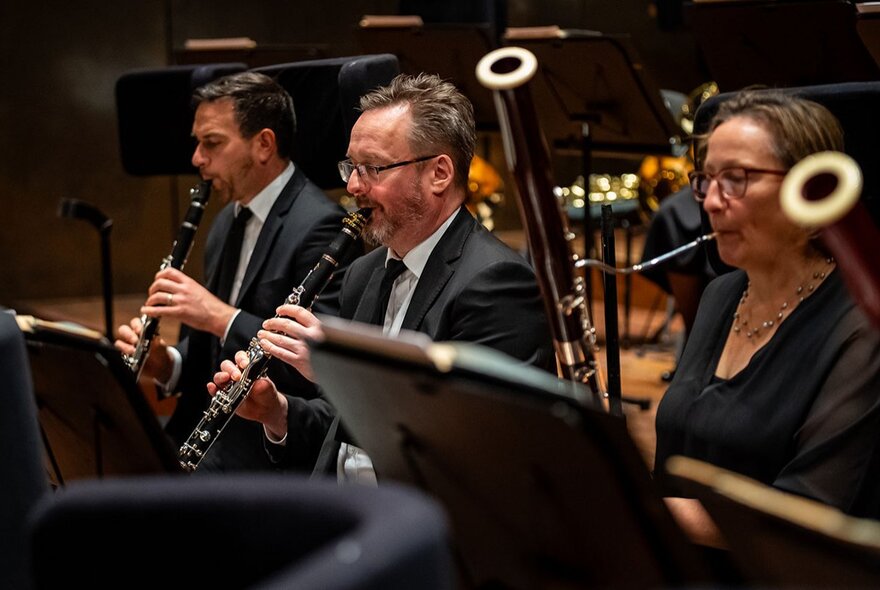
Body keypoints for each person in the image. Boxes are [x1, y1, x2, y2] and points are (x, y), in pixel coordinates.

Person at [209, 72, 556, 480]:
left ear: (439, 173)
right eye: (351, 167)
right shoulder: (363, 272)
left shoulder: (496, 282)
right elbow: (344, 430)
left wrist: (337, 373)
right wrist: (278, 412)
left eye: (373, 168)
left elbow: (469, 443)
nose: (354, 186)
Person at [653, 90, 880, 549]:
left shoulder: (861, 327)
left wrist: (637, 510)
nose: (711, 202)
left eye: (735, 179)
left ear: (812, 189)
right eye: (706, 179)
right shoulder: (722, 293)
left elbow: (805, 513)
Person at [114, 71, 360, 472]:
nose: (197, 158)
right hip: (203, 432)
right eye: (198, 143)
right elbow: (211, 352)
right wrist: (168, 363)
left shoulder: (322, 227)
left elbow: (315, 367)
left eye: (212, 143)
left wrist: (219, 316)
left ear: (263, 144)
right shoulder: (227, 222)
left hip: (262, 449)